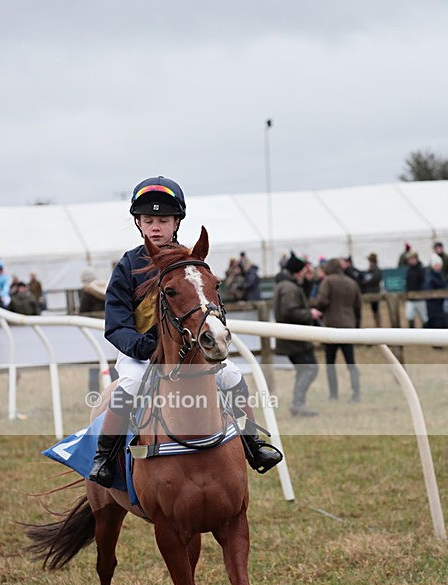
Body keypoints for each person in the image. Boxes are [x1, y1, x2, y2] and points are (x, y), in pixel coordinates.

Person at [88, 175, 281, 487]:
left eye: (163, 220)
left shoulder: (192, 263)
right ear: (138, 223)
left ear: (176, 222)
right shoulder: (127, 266)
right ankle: (104, 457)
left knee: (232, 375)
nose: (155, 227)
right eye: (148, 220)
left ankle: (253, 443)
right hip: (141, 354)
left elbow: (210, 307)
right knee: (131, 384)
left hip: (189, 352)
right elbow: (116, 326)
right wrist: (144, 347)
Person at [273, 252, 322, 417]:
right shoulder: (289, 288)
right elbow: (290, 312)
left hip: (293, 337)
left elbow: (300, 298)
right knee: (310, 369)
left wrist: (308, 281)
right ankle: (298, 404)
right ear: (297, 272)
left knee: (304, 370)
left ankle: (298, 404)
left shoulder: (286, 285)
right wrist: (310, 314)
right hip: (294, 338)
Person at [315, 258, 362, 402]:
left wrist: (321, 309)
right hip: (348, 327)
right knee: (351, 363)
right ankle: (356, 393)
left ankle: (333, 394)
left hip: (331, 328)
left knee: (330, 363)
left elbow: (322, 301)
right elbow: (358, 306)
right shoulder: (352, 283)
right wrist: (356, 325)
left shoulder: (327, 282)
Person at [423, 254, 447, 329]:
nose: (438, 266)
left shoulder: (440, 274)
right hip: (433, 303)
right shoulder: (429, 275)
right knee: (435, 322)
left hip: (440, 303)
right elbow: (428, 287)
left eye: (439, 265)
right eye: (436, 265)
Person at [404, 251, 426, 328]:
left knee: (424, 318)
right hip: (410, 298)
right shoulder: (409, 270)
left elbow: (424, 282)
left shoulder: (421, 269)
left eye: (412, 259)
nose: (410, 261)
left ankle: (425, 333)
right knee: (409, 315)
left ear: (416, 259)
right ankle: (411, 333)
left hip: (420, 298)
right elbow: (408, 283)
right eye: (409, 259)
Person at [362, 253, 383, 327]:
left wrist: (366, 282)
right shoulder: (370, 270)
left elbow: (375, 279)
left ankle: (378, 324)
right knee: (374, 309)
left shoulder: (376, 270)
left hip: (374, 292)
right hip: (370, 292)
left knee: (376, 309)